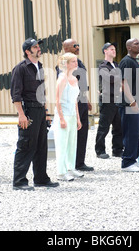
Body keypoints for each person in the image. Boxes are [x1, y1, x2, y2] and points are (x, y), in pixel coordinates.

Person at [11, 38, 59, 191]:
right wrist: (21, 115)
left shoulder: (39, 67)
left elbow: (42, 92)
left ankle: (41, 178)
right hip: (28, 110)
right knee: (26, 145)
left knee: (41, 146)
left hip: (39, 110)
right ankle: (19, 181)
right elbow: (16, 94)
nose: (39, 49)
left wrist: (45, 112)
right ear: (27, 51)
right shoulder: (21, 68)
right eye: (35, 47)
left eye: (39, 46)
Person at [60, 39, 94, 172]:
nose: (78, 47)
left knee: (82, 132)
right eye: (75, 46)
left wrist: (87, 100)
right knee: (72, 133)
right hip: (72, 102)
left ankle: (80, 162)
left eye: (78, 45)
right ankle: (70, 163)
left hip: (82, 100)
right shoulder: (64, 63)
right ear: (67, 48)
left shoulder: (78, 62)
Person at [53, 53, 83, 181]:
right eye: (73, 62)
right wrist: (61, 118)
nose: (76, 64)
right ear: (66, 64)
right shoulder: (62, 79)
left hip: (71, 114)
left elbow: (75, 100)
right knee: (62, 144)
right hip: (63, 114)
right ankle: (61, 172)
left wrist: (78, 118)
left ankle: (71, 168)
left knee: (72, 143)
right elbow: (57, 100)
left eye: (76, 61)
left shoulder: (74, 79)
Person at [118, 38, 139, 172]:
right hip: (130, 104)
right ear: (129, 47)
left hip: (138, 104)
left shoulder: (135, 62)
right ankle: (127, 162)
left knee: (138, 132)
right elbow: (124, 83)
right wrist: (132, 101)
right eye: (136, 44)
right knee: (130, 132)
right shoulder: (126, 62)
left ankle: (133, 159)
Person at [94, 43, 124, 159]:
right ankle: (100, 150)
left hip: (117, 99)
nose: (114, 51)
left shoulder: (116, 65)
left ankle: (117, 150)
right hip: (108, 100)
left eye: (115, 49)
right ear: (105, 51)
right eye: (111, 49)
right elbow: (108, 78)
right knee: (104, 127)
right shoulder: (103, 66)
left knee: (118, 126)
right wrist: (121, 78)